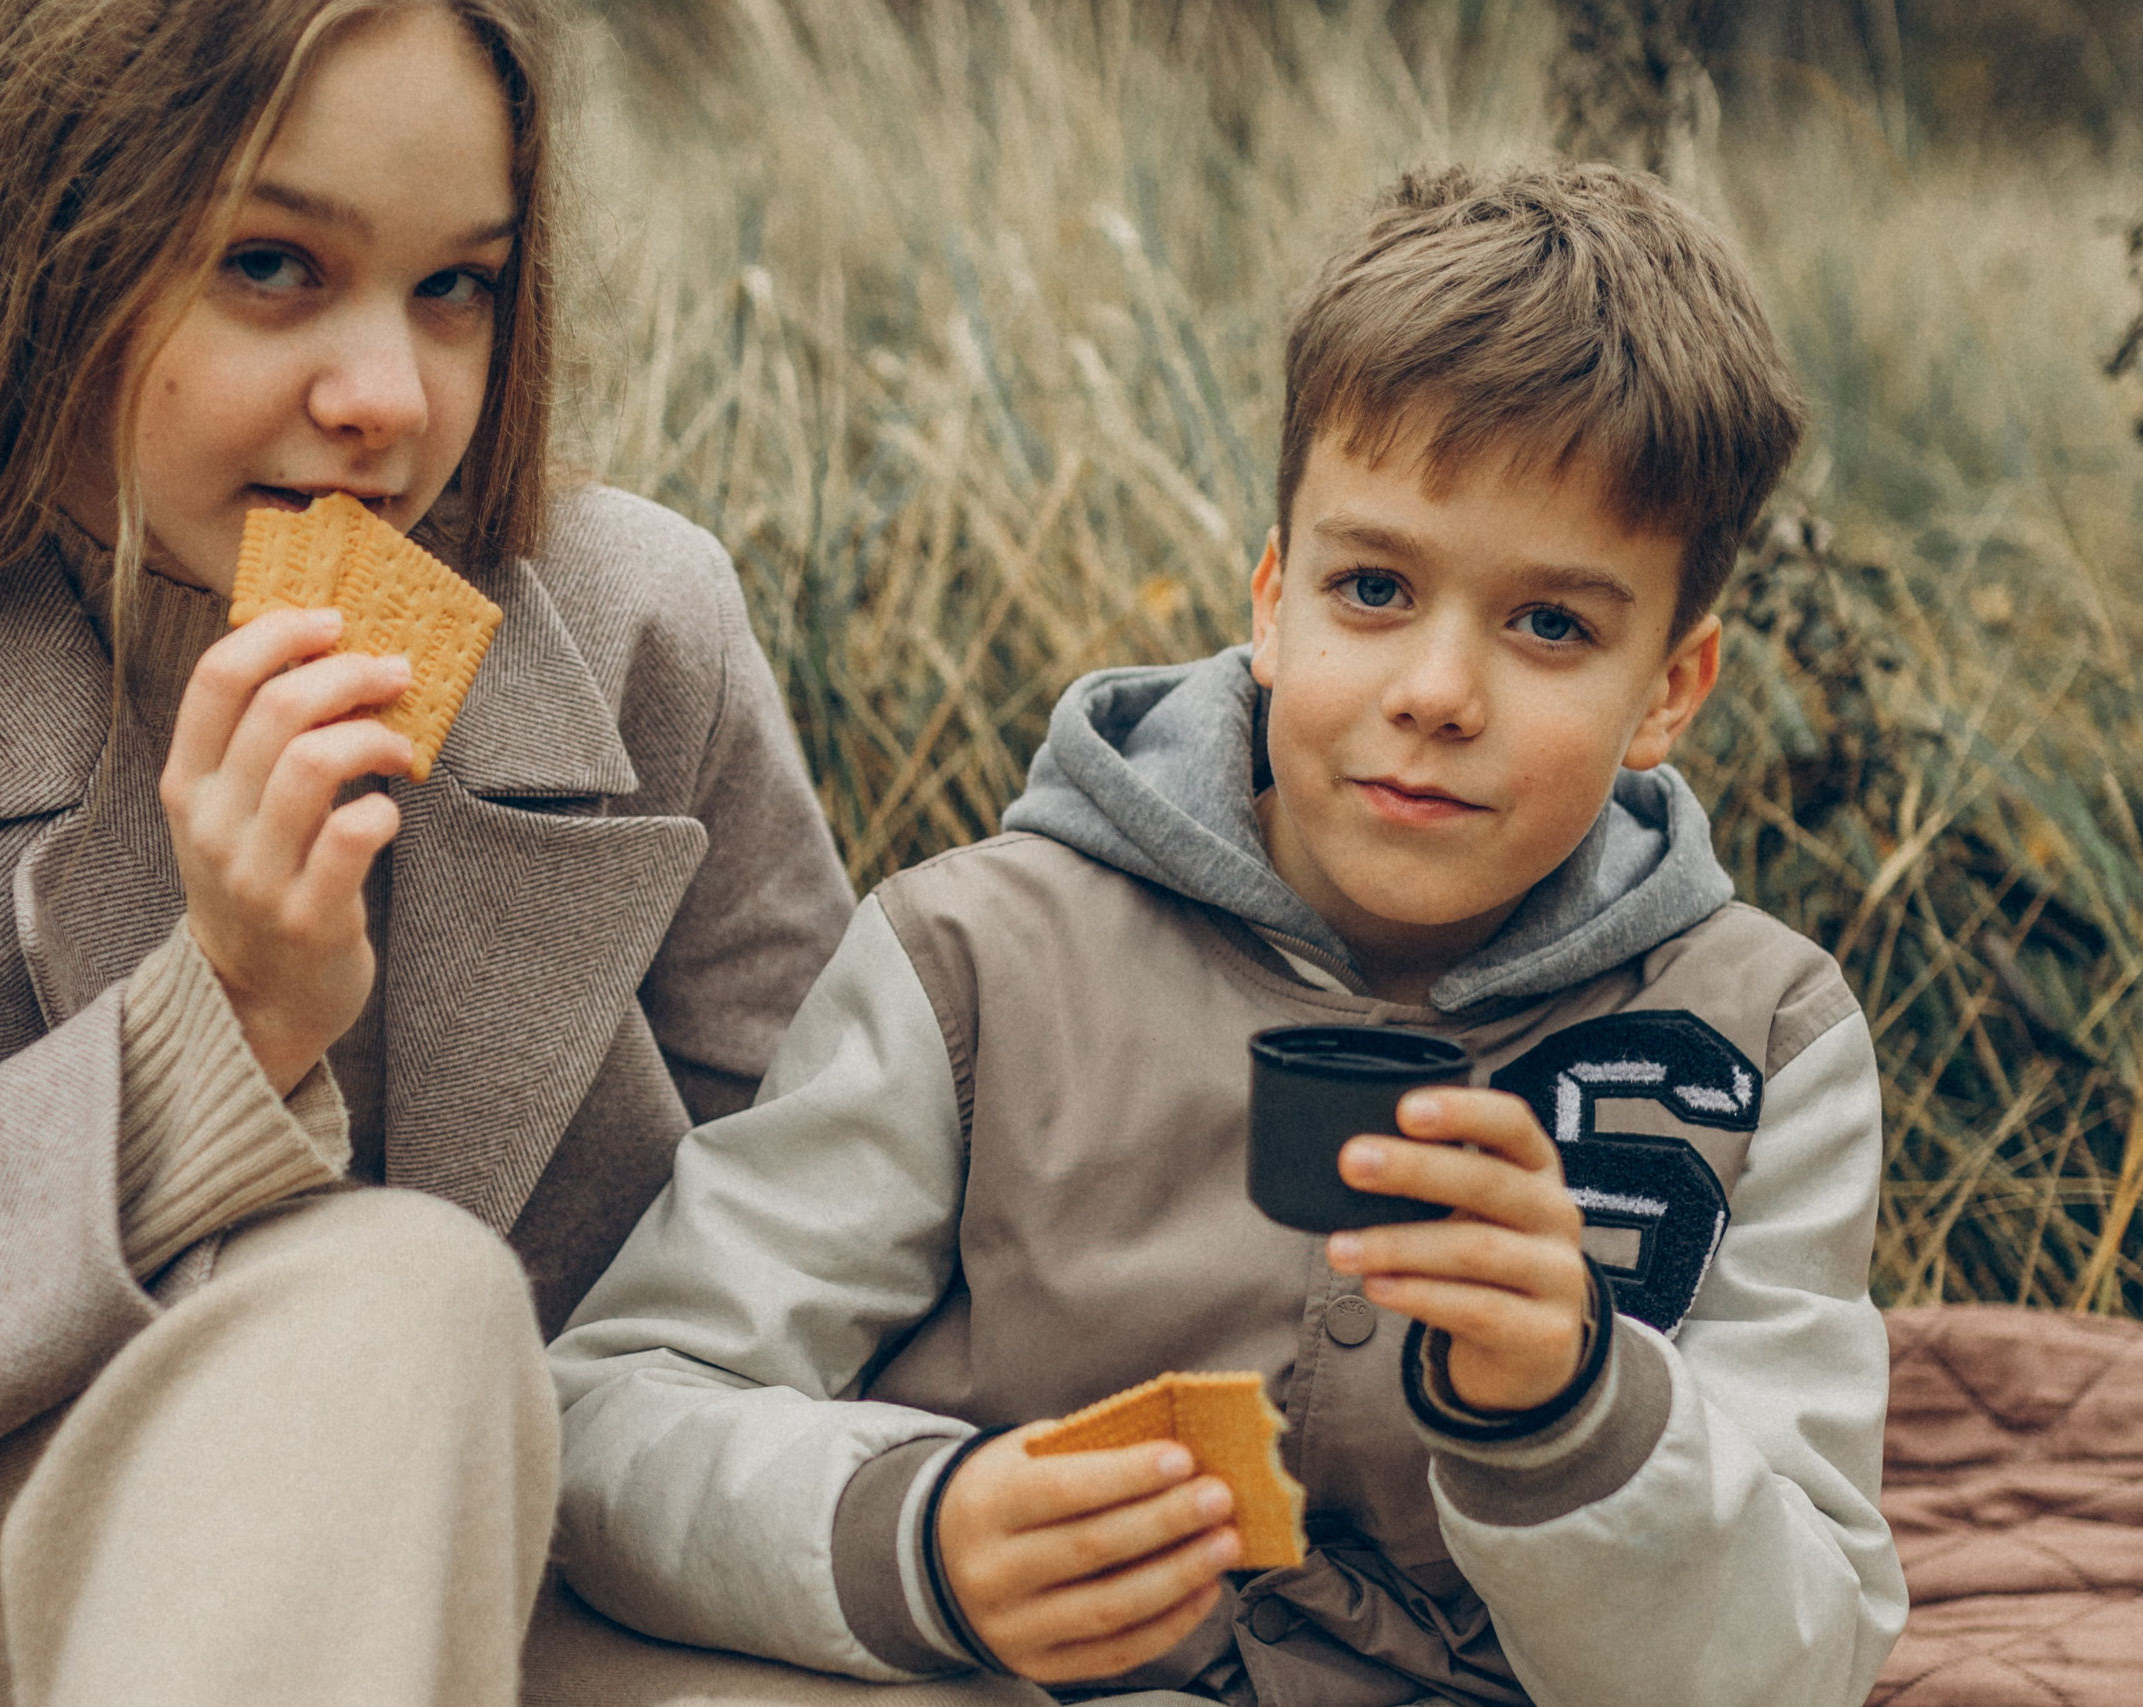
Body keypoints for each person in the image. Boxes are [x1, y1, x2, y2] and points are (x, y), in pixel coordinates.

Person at [0, 0, 854, 1702]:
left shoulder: (639, 620)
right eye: (272, 263)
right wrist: (225, 1027)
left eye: (456, 285)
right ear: (42, 246)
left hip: (541, 1557)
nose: (389, 400)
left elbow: (847, 1229)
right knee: (396, 1302)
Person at [548, 163, 1909, 1707]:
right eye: (1376, 587)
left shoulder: (1765, 1041)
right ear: (1274, 601)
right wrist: (923, 1541)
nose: (1439, 691)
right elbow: (615, 1419)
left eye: (1553, 626)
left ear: (1670, 687)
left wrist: (1579, 1410)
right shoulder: (976, 959)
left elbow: (1804, 1660)